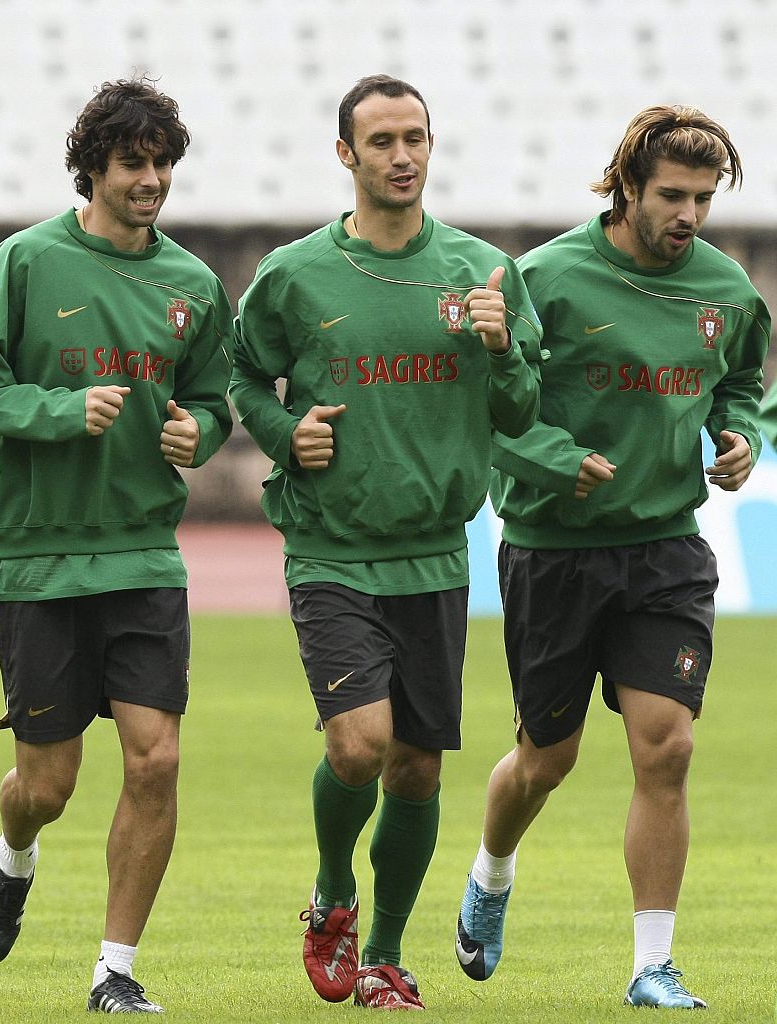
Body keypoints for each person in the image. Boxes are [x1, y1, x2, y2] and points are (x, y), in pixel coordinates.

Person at [230, 74, 542, 1010]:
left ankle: (387, 955)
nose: (402, 156)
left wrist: (501, 348)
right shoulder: (292, 276)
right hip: (330, 547)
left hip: (436, 553)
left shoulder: (481, 273)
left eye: (416, 138)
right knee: (360, 747)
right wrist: (286, 436)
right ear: (346, 156)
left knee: (416, 765)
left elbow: (523, 408)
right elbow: (243, 378)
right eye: (381, 141)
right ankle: (333, 892)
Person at [455, 105, 766, 1010]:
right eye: (673, 195)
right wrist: (559, 461)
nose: (690, 215)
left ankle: (652, 966)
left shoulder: (727, 290)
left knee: (666, 749)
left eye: (704, 198)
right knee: (545, 761)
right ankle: (493, 871)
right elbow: (491, 413)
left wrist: (738, 434)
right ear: (626, 184)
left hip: (667, 548)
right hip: (553, 552)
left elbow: (743, 383)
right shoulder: (543, 278)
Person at [0, 77, 233, 1015]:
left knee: (157, 759)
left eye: (163, 164)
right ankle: (12, 856)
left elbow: (219, 397)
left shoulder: (192, 286)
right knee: (47, 784)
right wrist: (62, 413)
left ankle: (115, 967)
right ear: (93, 169)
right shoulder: (25, 262)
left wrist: (205, 434)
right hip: (40, 560)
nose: (151, 181)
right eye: (133, 163)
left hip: (144, 554)